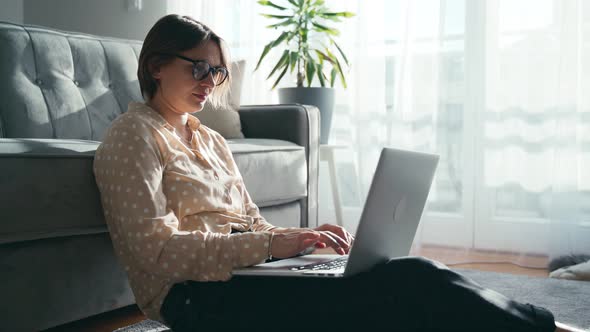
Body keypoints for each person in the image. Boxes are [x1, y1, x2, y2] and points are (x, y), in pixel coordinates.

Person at [93, 14, 583, 332]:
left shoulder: (212, 139)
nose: (210, 82)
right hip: (196, 300)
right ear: (157, 66)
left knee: (393, 282)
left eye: (216, 72)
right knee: (409, 281)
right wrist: (272, 247)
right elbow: (155, 251)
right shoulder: (131, 137)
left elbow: (252, 223)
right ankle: (545, 328)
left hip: (251, 275)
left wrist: (299, 240)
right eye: (198, 68)